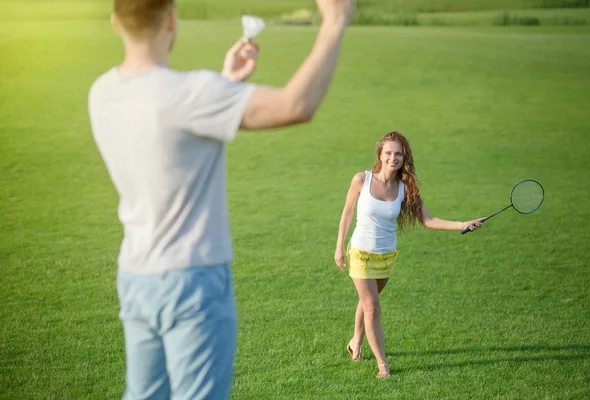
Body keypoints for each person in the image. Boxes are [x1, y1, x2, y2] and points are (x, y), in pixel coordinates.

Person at [88, 0, 355, 398]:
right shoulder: (193, 92)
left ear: (115, 23)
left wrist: (225, 81)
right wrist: (335, 22)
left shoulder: (103, 91)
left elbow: (167, 124)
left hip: (135, 277)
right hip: (192, 280)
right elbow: (296, 105)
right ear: (172, 20)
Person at [334, 131, 484, 379]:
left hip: (386, 257)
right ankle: (383, 364)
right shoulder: (362, 179)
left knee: (367, 301)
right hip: (360, 252)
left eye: (398, 154)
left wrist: (462, 224)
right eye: (389, 153)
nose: (393, 158)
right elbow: (347, 213)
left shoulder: (405, 189)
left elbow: (429, 220)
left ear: (404, 158)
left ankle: (355, 341)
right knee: (372, 307)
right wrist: (339, 246)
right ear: (380, 155)